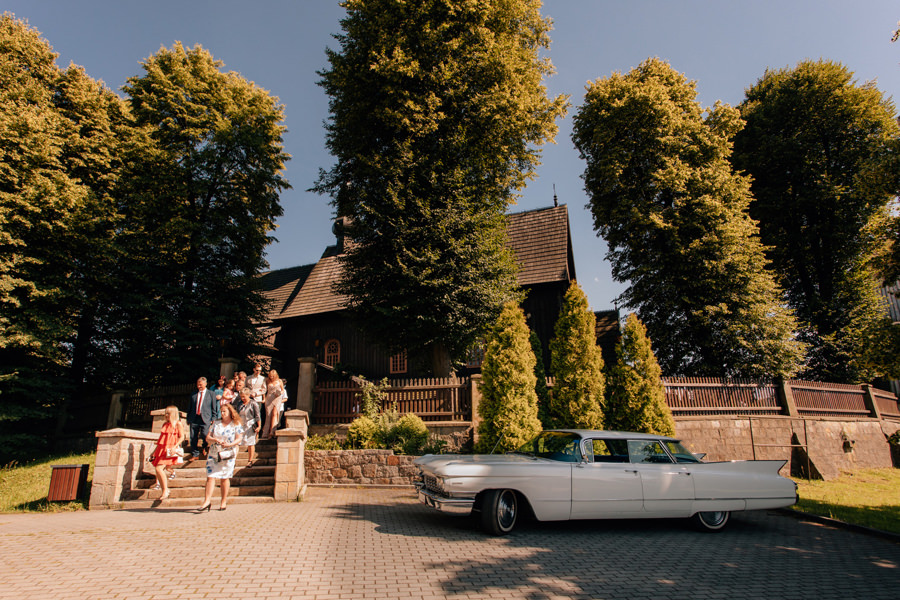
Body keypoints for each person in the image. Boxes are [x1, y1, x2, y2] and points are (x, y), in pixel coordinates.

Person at [197, 403, 244, 512]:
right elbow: (208, 437)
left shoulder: (235, 424)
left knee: (225, 477)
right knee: (210, 476)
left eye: (224, 412)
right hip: (214, 452)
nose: (222, 414)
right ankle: (207, 500)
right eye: (221, 411)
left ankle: (223, 500)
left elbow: (239, 439)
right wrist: (215, 440)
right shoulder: (216, 423)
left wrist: (230, 444)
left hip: (227, 453)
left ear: (230, 412)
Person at [149, 405, 185, 501]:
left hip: (170, 449)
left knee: (159, 468)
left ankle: (165, 490)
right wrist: (154, 452)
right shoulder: (165, 424)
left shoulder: (178, 424)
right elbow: (161, 439)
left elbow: (182, 437)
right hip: (162, 449)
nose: (166, 415)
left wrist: (175, 445)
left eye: (168, 413)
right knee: (158, 469)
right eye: (166, 413)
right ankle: (164, 489)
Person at [187, 377, 220, 461]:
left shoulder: (211, 393)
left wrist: (213, 418)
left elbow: (214, 407)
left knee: (205, 434)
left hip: (206, 418)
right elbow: (190, 407)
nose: (199, 386)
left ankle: (205, 447)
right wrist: (188, 418)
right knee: (193, 436)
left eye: (201, 384)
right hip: (194, 418)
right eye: (198, 384)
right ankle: (195, 454)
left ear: (205, 384)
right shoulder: (194, 394)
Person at [237, 388, 261, 467]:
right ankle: (233, 459)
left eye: (244, 396)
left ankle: (250, 460)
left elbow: (257, 416)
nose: (242, 398)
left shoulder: (253, 403)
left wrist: (259, 426)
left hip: (250, 424)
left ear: (248, 395)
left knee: (250, 443)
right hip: (241, 424)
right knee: (237, 442)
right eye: (241, 396)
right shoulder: (240, 403)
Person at [261, 369, 284, 440]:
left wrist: (279, 393)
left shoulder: (279, 381)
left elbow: (282, 390)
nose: (271, 378)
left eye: (273, 376)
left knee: (275, 413)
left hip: (277, 398)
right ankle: (266, 432)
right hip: (269, 397)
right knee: (268, 415)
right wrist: (264, 398)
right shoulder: (267, 380)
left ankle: (272, 431)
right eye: (270, 376)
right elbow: (264, 390)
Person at [245, 363, 267, 431]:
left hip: (257, 398)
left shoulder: (262, 378)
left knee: (257, 414)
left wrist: (256, 393)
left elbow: (264, 389)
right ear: (254, 369)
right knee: (248, 413)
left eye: (260, 371)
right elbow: (245, 387)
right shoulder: (248, 378)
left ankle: (257, 430)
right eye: (257, 370)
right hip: (249, 398)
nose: (258, 372)